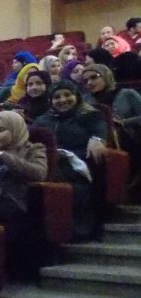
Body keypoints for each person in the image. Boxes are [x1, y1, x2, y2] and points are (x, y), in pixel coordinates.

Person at [0, 112, 48, 276]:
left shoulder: (34, 149)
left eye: (0, 130)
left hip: (13, 203)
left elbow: (38, 173)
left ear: (15, 129)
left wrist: (2, 156)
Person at [34, 80, 107, 240]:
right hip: (48, 162)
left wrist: (98, 138)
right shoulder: (42, 121)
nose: (62, 100)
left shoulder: (91, 116)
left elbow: (99, 134)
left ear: (77, 96)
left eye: (67, 95)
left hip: (79, 163)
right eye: (57, 97)